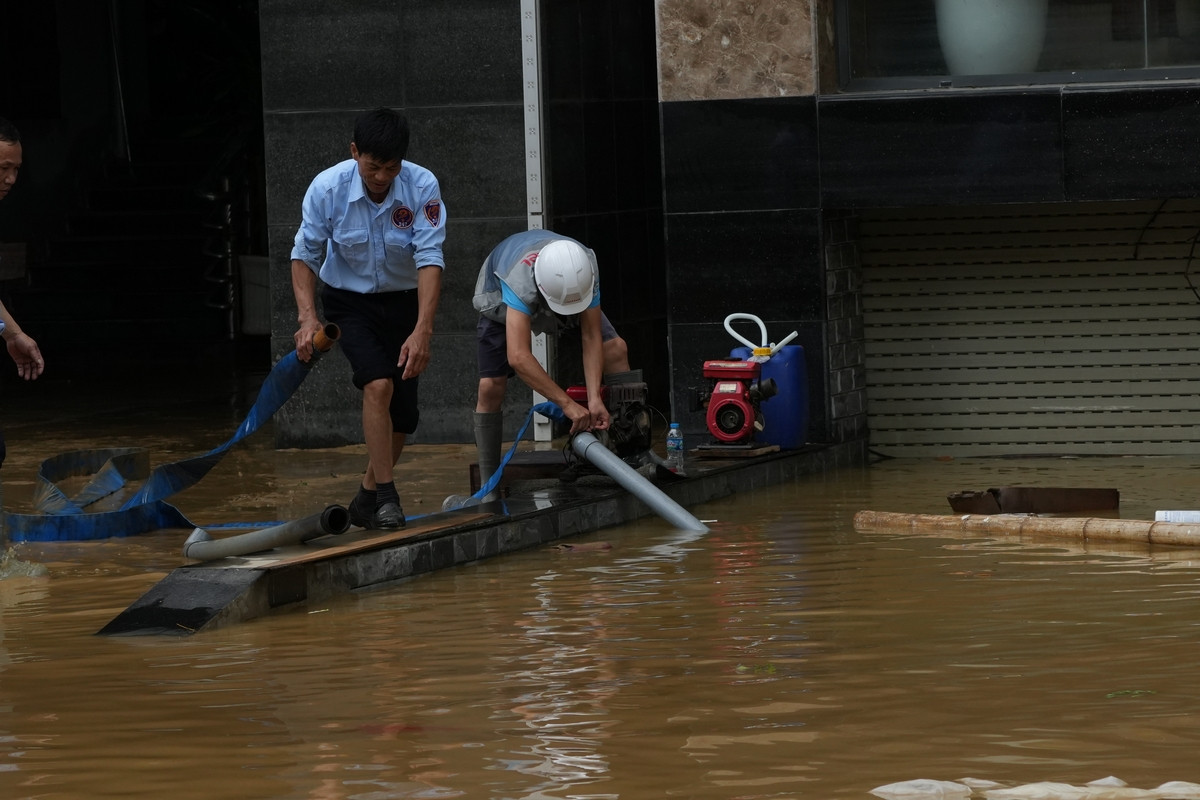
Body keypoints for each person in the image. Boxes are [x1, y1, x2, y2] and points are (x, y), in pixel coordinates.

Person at [290, 108, 445, 530]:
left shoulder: (422, 185)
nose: (381, 177)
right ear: (354, 152)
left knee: (405, 416)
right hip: (349, 303)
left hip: (404, 302)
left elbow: (430, 258)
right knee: (378, 384)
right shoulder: (327, 188)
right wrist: (308, 318)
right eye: (373, 167)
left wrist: (422, 329)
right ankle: (389, 499)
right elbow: (304, 255)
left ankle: (365, 498)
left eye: (390, 168)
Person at [471, 229, 631, 496]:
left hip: (562, 286)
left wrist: (594, 400)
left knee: (615, 348)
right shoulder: (518, 281)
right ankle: (489, 485)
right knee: (491, 385)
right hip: (500, 297)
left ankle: (633, 452)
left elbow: (591, 335)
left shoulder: (585, 266)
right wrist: (567, 405)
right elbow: (519, 356)